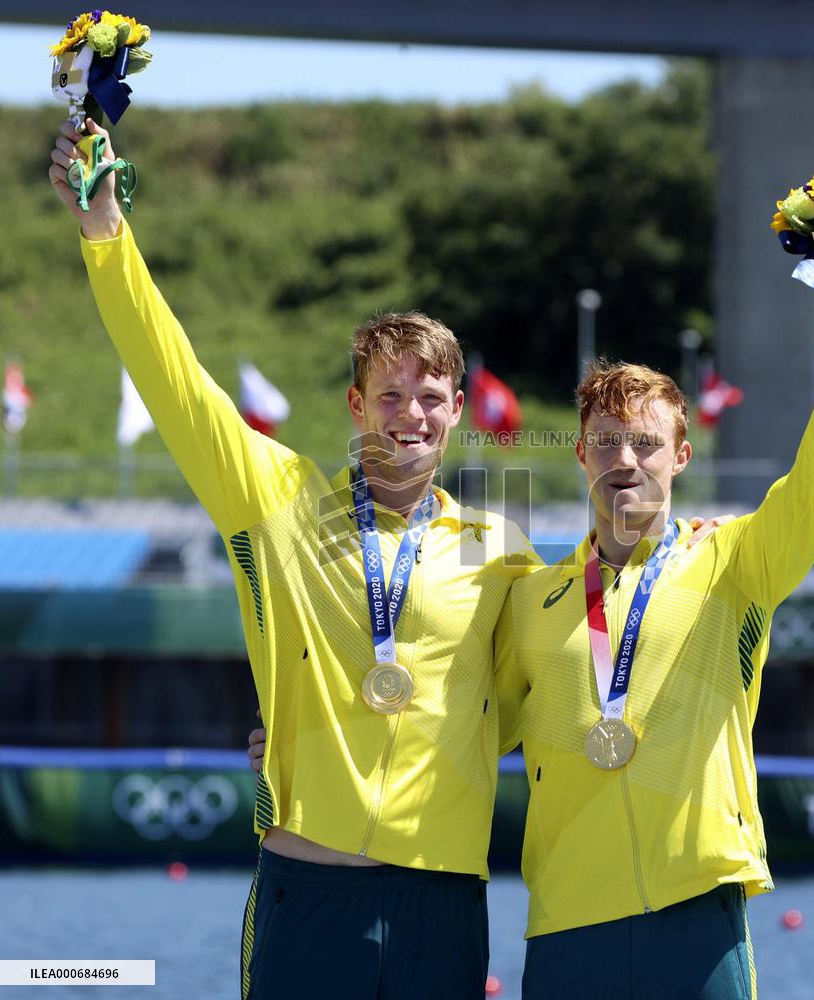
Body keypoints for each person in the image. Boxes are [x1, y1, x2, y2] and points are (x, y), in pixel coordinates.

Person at [49, 117, 543, 1000]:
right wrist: (106, 236)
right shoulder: (278, 499)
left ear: (458, 410)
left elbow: (513, 711)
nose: (410, 414)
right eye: (388, 393)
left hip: (445, 894)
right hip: (310, 886)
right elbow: (174, 379)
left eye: (430, 396)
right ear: (356, 405)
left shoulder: (498, 547)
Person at [493, 274, 814, 999]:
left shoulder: (733, 563)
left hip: (696, 915)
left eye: (644, 442)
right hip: (566, 925)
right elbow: (464, 727)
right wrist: (296, 739)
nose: (624, 461)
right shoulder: (531, 601)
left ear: (680, 457)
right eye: (605, 443)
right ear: (580, 455)